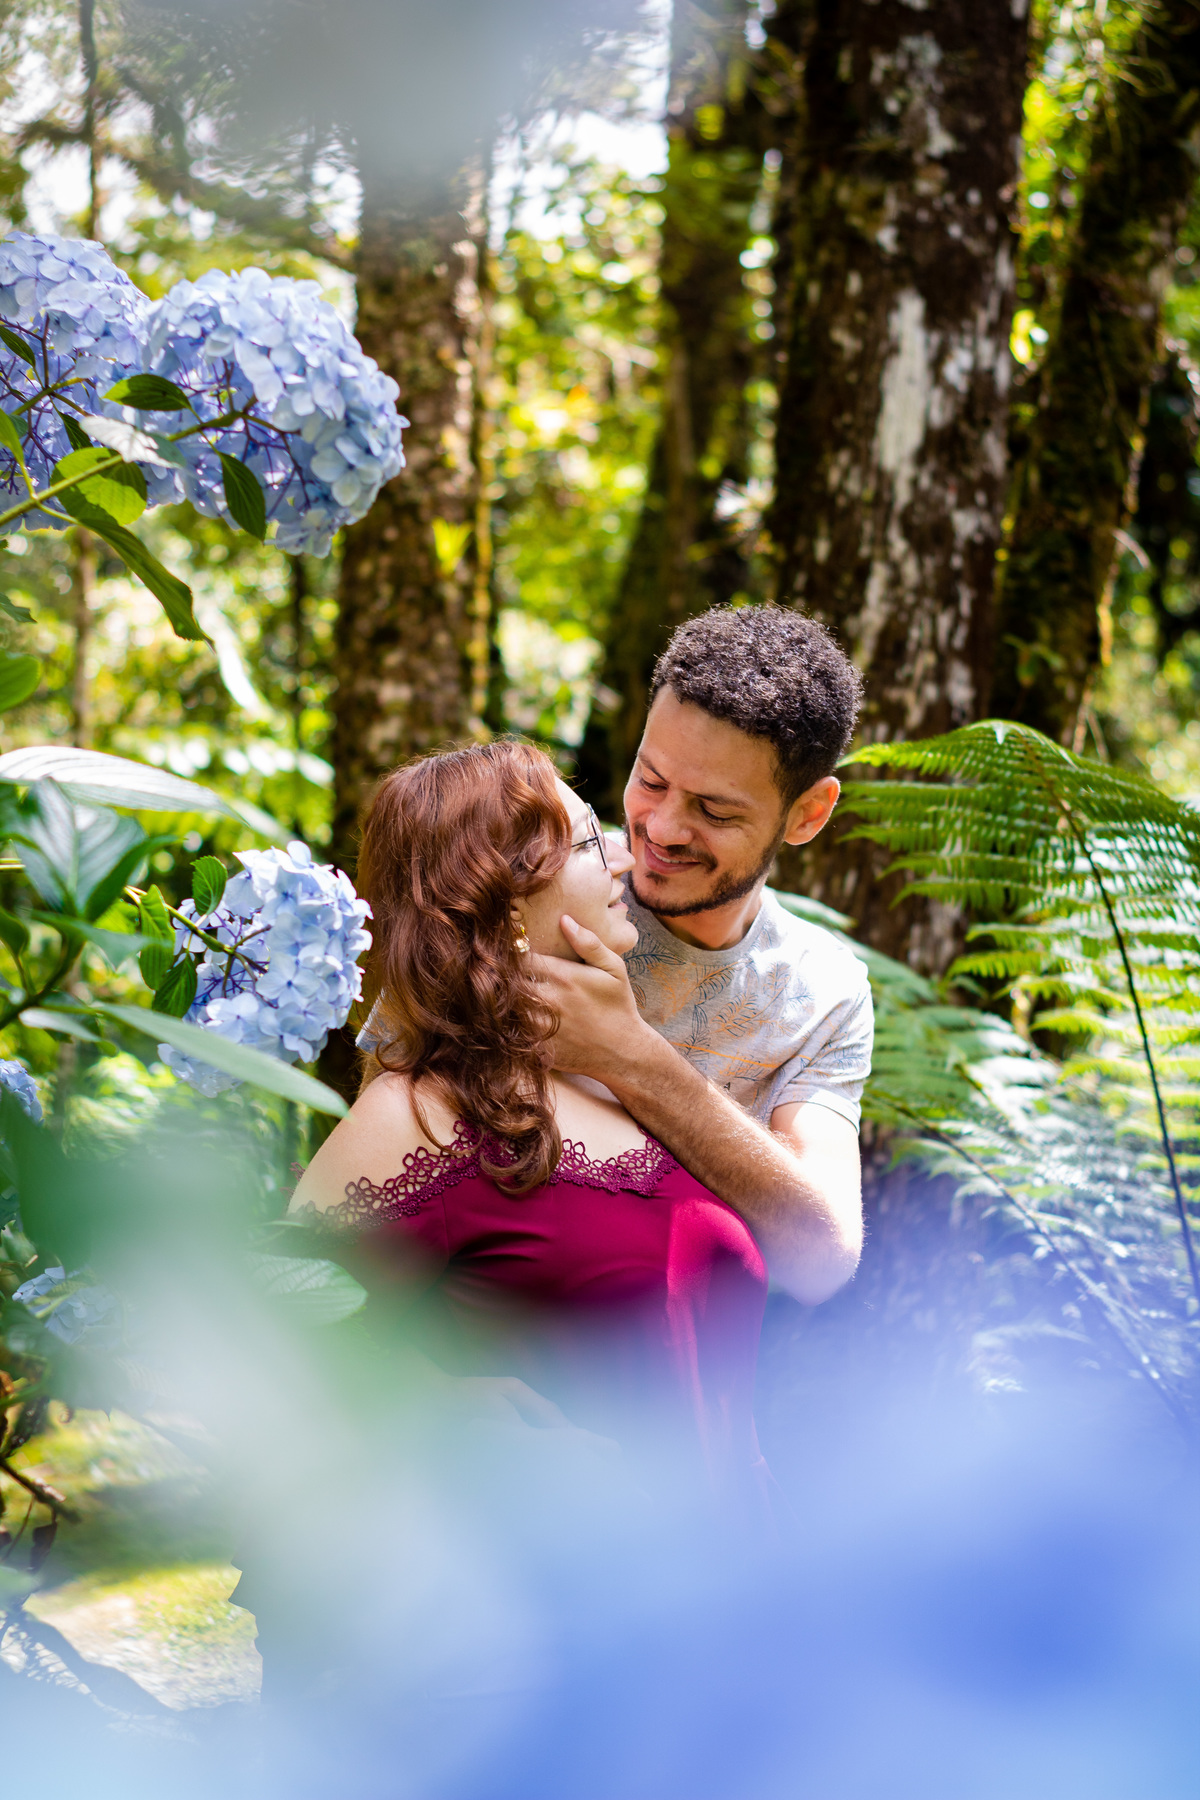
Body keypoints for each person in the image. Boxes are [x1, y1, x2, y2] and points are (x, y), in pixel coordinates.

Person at [288, 739, 773, 1510]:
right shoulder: (416, 1115)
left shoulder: (618, 1084)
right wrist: (441, 1404)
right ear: (500, 895)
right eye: (587, 841)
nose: (622, 857)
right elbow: (269, 1334)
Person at [535, 604, 872, 1306]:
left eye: (715, 812)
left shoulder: (825, 995)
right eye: (651, 779)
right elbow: (386, 1127)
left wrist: (627, 1057)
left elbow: (822, 1258)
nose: (659, 828)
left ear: (808, 813)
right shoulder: (540, 886)